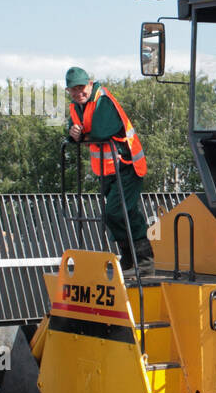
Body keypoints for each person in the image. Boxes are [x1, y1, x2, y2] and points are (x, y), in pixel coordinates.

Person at [65, 66, 155, 276]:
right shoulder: (76, 107)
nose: (79, 93)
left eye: (81, 88)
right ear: (68, 91)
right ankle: (133, 260)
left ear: (90, 83)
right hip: (107, 170)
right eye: (73, 90)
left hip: (127, 164)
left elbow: (101, 131)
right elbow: (74, 132)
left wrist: (83, 135)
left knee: (115, 212)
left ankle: (143, 260)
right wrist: (74, 134)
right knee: (125, 213)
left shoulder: (102, 100)